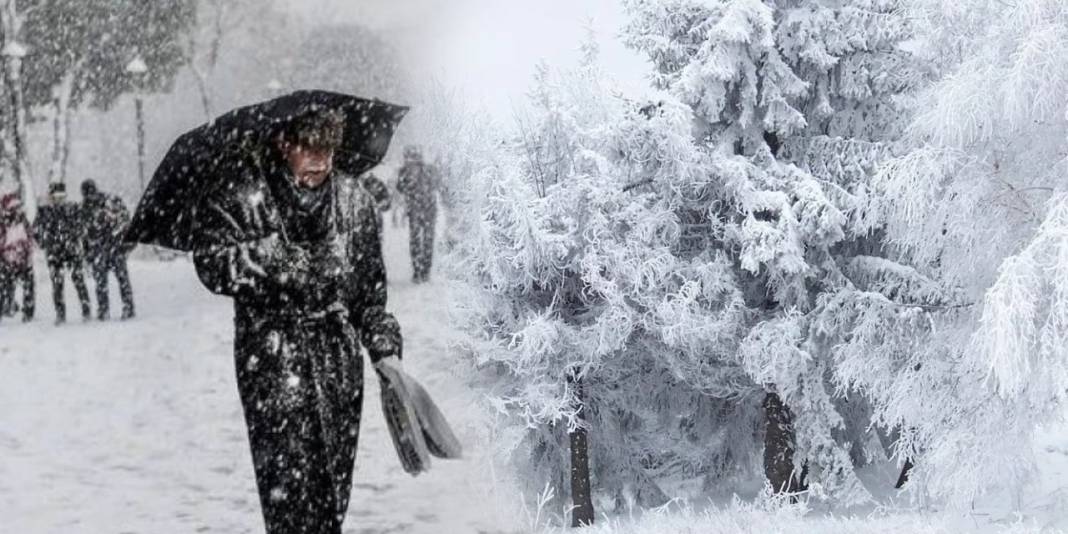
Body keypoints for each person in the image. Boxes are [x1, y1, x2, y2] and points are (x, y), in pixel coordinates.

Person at [190, 107, 403, 533]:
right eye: (310, 148)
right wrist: (274, 260)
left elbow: (369, 292)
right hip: (271, 357)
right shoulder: (246, 194)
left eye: (328, 149)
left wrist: (383, 345)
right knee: (286, 485)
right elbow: (211, 262)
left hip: (337, 358)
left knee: (332, 485)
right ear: (284, 144)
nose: (321, 160)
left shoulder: (354, 199)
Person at [34, 182, 90, 324]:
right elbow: (36, 231)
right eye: (56, 196)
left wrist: (75, 237)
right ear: (51, 196)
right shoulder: (44, 211)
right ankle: (60, 314)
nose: (60, 199)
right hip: (55, 253)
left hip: (71, 250)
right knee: (57, 285)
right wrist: (44, 242)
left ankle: (86, 310)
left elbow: (82, 226)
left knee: (78, 280)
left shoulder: (72, 208)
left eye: (62, 196)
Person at [81, 179, 136, 320]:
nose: (89, 196)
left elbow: (85, 235)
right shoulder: (107, 202)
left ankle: (109, 310)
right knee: (117, 281)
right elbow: (85, 235)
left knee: (105, 283)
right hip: (110, 249)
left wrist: (88, 254)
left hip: (105, 249)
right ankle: (124, 308)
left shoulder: (92, 207)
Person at [396, 145, 440, 283]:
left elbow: (436, 184)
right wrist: (408, 182)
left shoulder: (428, 170)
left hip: (426, 209)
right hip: (418, 210)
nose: (409, 161)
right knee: (418, 240)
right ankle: (419, 271)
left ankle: (423, 271)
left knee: (425, 240)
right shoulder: (405, 171)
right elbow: (400, 187)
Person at [0, 192, 34, 323]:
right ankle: (8, 307)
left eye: (17, 207)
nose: (16, 210)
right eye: (13, 208)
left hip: (21, 259)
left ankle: (27, 311)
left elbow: (30, 237)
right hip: (8, 259)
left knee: (26, 285)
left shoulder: (22, 220)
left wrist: (27, 252)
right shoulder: (4, 222)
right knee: (6, 286)